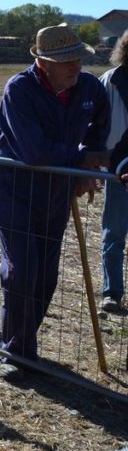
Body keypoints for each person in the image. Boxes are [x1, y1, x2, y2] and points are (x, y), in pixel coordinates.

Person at [0, 23, 110, 383]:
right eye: (65, 60)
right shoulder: (20, 90)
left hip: (56, 190)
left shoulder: (88, 88)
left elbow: (99, 130)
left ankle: (25, 341)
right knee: (21, 269)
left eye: (77, 58)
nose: (75, 66)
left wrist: (88, 163)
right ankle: (16, 351)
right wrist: (82, 162)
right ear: (43, 63)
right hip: (17, 188)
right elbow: (34, 151)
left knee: (46, 273)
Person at [97, 31, 128, 313]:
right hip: (118, 173)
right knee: (114, 234)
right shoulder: (109, 82)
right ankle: (112, 292)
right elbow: (95, 126)